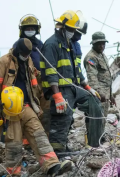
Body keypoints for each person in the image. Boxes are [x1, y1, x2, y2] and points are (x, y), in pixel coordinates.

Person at [0, 38, 63, 177]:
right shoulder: (3, 62)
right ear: (17, 50)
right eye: (24, 53)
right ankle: (14, 175)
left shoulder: (28, 61)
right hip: (10, 108)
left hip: (27, 105)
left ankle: (51, 165)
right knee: (14, 142)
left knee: (38, 133)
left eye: (28, 54)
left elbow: (34, 80)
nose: (26, 56)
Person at [41, 10, 103, 152]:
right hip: (58, 89)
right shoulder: (51, 44)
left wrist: (88, 87)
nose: (72, 32)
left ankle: (94, 143)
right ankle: (59, 153)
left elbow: (76, 70)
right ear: (62, 27)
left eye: (73, 30)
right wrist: (57, 96)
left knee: (93, 101)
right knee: (63, 117)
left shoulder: (69, 44)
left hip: (72, 87)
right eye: (70, 29)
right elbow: (51, 73)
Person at [84, 32, 115, 119]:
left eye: (103, 43)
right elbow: (92, 77)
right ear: (93, 44)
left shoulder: (102, 55)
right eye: (99, 44)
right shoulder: (91, 57)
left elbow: (106, 76)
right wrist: (99, 93)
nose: (102, 46)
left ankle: (101, 133)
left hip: (106, 95)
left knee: (102, 119)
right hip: (99, 95)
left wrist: (111, 95)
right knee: (96, 120)